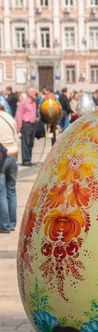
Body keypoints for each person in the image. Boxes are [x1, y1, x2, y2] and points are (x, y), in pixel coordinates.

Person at [0, 103, 18, 233]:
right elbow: (16, 137)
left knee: (2, 193)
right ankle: (12, 223)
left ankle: (4, 224)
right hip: (13, 154)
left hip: (1, 157)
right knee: (11, 190)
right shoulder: (10, 118)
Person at [15, 87, 37, 166]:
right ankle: (25, 160)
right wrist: (19, 126)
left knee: (31, 142)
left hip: (33, 124)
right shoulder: (23, 101)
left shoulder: (34, 101)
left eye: (34, 91)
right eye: (33, 91)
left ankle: (29, 159)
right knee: (26, 142)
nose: (34, 93)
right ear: (28, 93)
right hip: (26, 124)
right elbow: (19, 114)